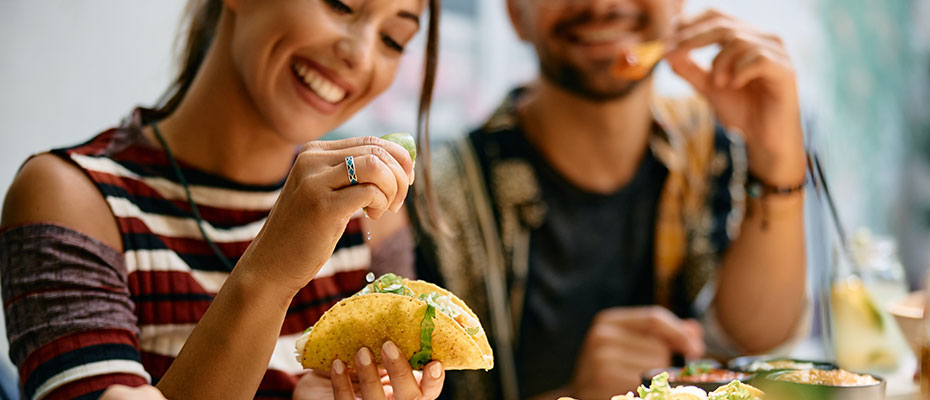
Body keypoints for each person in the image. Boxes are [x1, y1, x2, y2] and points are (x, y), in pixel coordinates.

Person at [0, 0, 446, 398]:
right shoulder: (73, 200)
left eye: (393, 38)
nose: (361, 55)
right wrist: (271, 272)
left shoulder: (371, 217)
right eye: (339, 5)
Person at [410, 0, 809, 398]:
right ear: (516, 13)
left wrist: (777, 161)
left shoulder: (714, 147)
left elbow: (756, 342)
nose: (600, 5)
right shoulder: (435, 200)